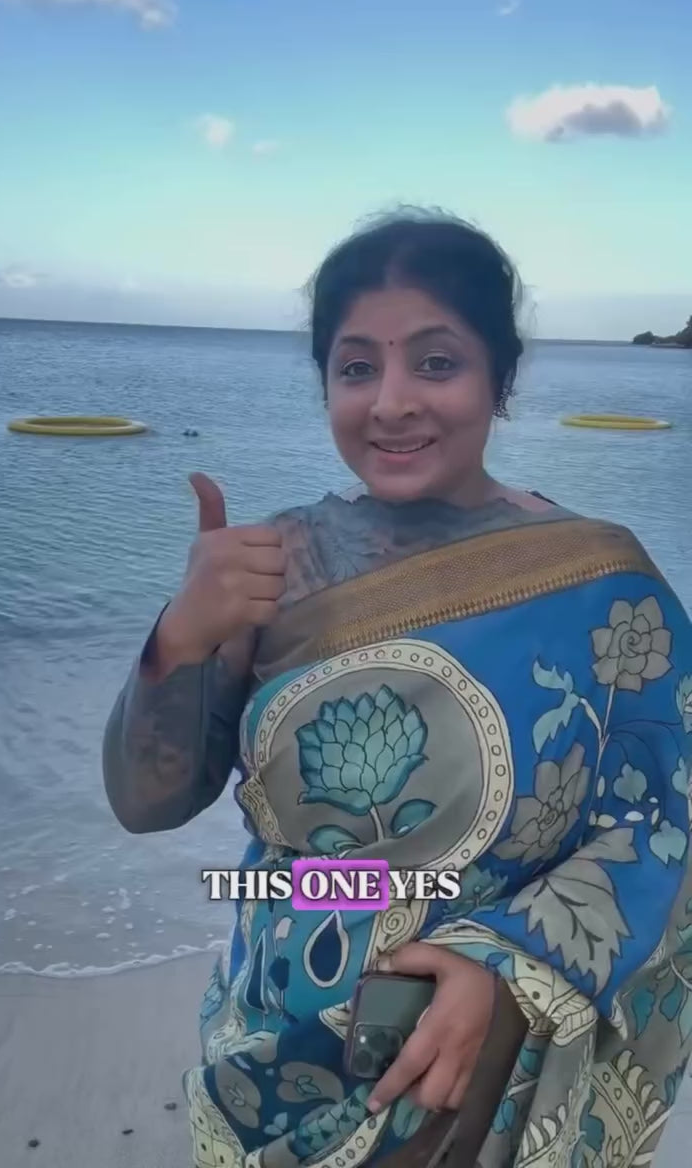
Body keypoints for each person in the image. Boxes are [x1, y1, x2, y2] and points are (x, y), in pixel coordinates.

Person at [102, 209, 692, 1168]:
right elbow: (147, 802)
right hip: (276, 1045)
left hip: (486, 1059)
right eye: (356, 368)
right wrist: (179, 638)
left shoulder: (598, 580)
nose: (391, 403)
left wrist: (502, 967)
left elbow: (667, 820)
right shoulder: (271, 568)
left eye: (436, 362)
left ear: (501, 379)